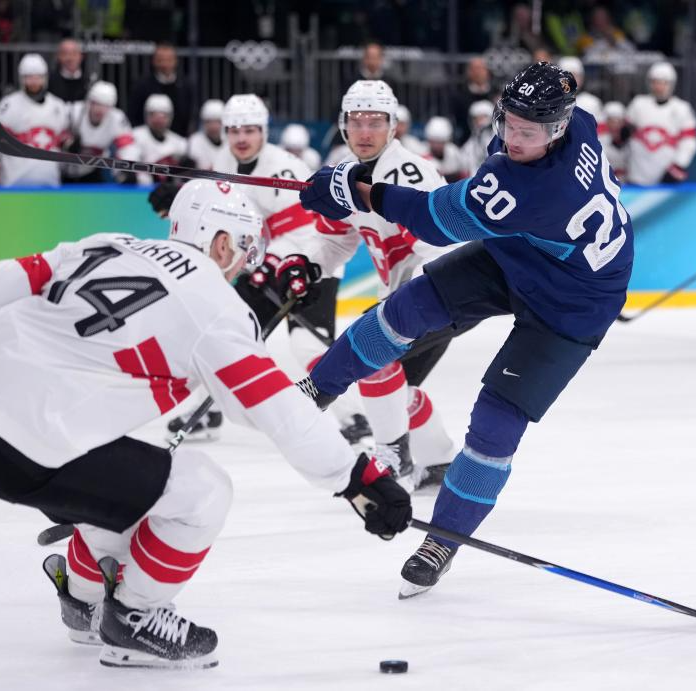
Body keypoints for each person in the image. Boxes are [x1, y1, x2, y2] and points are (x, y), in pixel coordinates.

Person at [0, 180, 411, 668]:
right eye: (244, 248)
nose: (243, 265)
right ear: (221, 243)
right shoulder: (216, 307)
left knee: (126, 490)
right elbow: (276, 407)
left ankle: (81, 600)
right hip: (27, 447)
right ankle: (133, 617)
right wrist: (355, 478)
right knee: (201, 492)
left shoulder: (111, 243)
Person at [297, 62, 633, 597]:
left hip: (573, 305)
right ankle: (317, 388)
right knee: (405, 309)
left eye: (530, 132)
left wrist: (356, 191)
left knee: (496, 425)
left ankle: (442, 541)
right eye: (510, 124)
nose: (515, 139)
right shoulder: (580, 123)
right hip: (525, 251)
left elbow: (435, 221)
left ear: (558, 128)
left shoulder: (531, 189)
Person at [302, 79, 457, 490]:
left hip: (439, 292)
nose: (365, 131)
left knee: (373, 355)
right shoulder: (347, 173)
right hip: (409, 296)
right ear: (343, 125)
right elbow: (336, 240)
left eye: (375, 122)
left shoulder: (407, 172)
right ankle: (440, 462)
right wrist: (307, 265)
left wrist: (406, 306)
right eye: (356, 121)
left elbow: (437, 248)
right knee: (395, 390)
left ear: (393, 126)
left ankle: (394, 459)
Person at [209, 93, 372, 445]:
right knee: (225, 333)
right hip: (268, 266)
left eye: (249, 130)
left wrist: (271, 261)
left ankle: (354, 417)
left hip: (313, 264)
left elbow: (305, 229)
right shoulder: (222, 161)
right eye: (234, 130)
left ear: (264, 132)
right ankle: (207, 409)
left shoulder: (283, 168)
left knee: (306, 345)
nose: (241, 138)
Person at [0, 53, 69, 187]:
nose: (34, 82)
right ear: (22, 78)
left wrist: (70, 144)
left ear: (45, 78)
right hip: (15, 184)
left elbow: (63, 139)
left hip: (50, 183)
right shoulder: (9, 105)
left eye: (38, 77)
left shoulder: (58, 105)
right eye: (29, 77)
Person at [624, 61, 696, 185]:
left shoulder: (682, 108)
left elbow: (689, 142)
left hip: (666, 177)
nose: (659, 87)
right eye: (655, 82)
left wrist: (678, 166)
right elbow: (624, 135)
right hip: (637, 176)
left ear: (671, 85)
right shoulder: (638, 104)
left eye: (664, 83)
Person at [63, 81, 139, 184]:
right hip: (63, 171)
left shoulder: (117, 118)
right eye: (96, 104)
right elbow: (56, 133)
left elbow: (128, 146)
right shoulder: (73, 111)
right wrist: (67, 143)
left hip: (91, 171)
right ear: (89, 102)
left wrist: (127, 167)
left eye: (106, 106)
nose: (100, 110)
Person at [128, 43, 194, 136]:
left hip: (179, 137)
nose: (164, 64)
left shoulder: (185, 85)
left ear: (175, 61)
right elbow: (133, 114)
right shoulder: (142, 85)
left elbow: (190, 114)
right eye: (160, 60)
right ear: (153, 61)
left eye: (169, 60)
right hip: (148, 139)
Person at [132, 94, 188, 185]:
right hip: (142, 189)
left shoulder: (179, 142)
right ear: (147, 116)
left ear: (170, 117)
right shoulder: (135, 137)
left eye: (163, 116)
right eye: (154, 115)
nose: (159, 121)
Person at [450, 56, 494, 144]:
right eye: (474, 69)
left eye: (481, 68)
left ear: (488, 71)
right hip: (467, 142)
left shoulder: (497, 94)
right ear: (468, 72)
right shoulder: (459, 97)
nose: (477, 72)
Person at [557, 56, 602, 125]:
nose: (573, 80)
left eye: (576, 75)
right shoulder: (548, 103)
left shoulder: (592, 103)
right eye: (568, 76)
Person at [423, 116, 467, 183]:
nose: (436, 145)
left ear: (446, 141)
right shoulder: (422, 156)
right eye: (433, 142)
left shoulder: (454, 152)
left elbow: (465, 174)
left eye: (440, 142)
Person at [187, 99, 225, 170]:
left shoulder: (230, 141)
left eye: (217, 121)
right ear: (203, 122)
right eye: (209, 121)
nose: (213, 126)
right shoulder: (195, 141)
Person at [459, 99, 495, 174]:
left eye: (482, 118)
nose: (478, 122)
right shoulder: (472, 141)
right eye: (475, 119)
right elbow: (463, 162)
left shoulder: (497, 138)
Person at [48, 38, 88, 104]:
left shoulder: (89, 82)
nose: (70, 58)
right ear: (58, 56)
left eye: (74, 53)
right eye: (65, 54)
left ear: (81, 56)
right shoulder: (49, 82)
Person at [598, 101, 629, 179]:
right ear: (606, 122)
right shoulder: (599, 141)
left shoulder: (628, 141)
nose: (616, 125)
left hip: (626, 183)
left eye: (619, 121)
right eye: (612, 121)